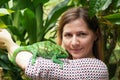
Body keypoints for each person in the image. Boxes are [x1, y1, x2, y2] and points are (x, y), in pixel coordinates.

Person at [0, 7, 109, 80]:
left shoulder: (97, 69)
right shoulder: (63, 61)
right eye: (68, 35)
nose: (74, 42)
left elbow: (36, 67)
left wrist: (9, 42)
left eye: (82, 34)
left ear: (96, 35)